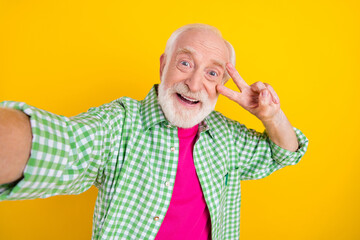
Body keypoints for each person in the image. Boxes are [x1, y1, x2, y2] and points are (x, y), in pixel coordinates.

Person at [0, 24, 308, 240]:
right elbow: (64, 146)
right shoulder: (120, 124)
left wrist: (270, 114)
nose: (194, 83)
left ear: (222, 85)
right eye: (185, 63)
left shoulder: (227, 137)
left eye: (212, 72)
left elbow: (281, 153)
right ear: (163, 65)